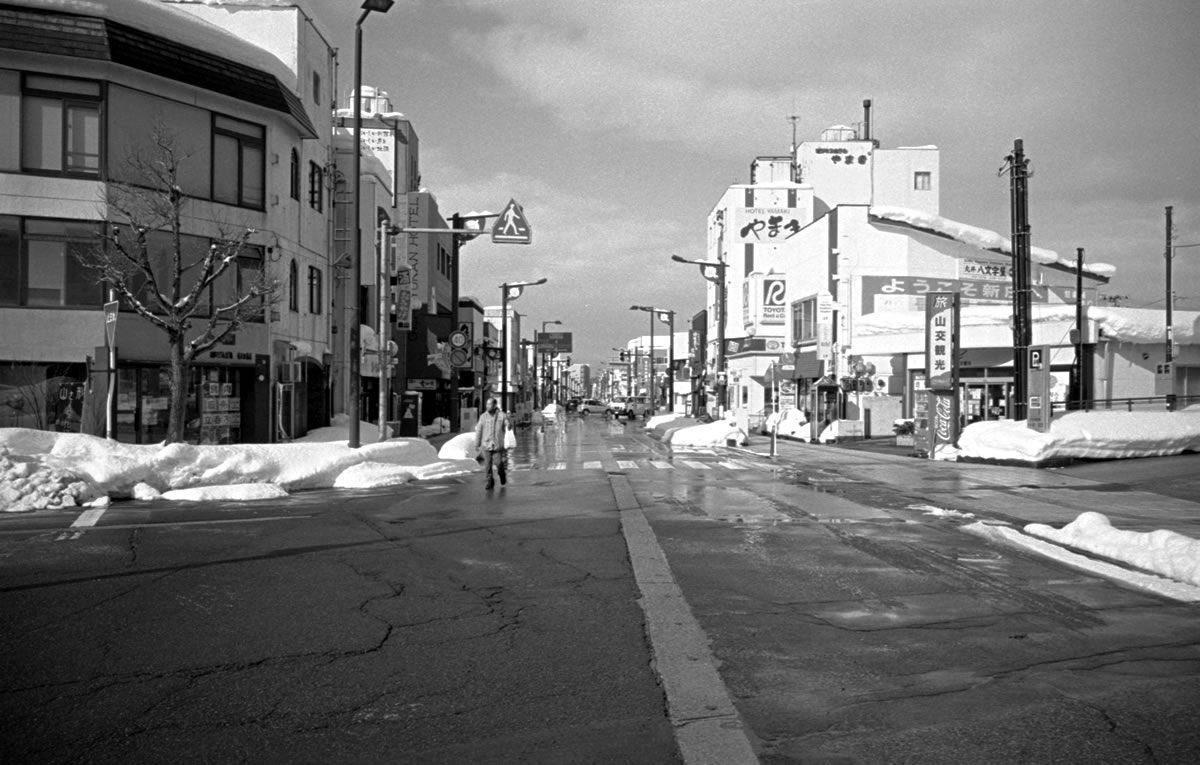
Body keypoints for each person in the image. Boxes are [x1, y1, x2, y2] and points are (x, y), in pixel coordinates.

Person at [474, 397, 510, 490]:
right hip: (486, 445)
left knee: (499, 463)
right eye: (486, 404)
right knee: (487, 465)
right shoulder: (483, 417)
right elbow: (479, 431)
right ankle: (489, 482)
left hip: (497, 445)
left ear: (495, 405)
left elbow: (507, 424)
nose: (487, 406)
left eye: (489, 404)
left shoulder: (502, 415)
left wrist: (509, 425)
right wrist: (477, 444)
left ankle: (502, 474)